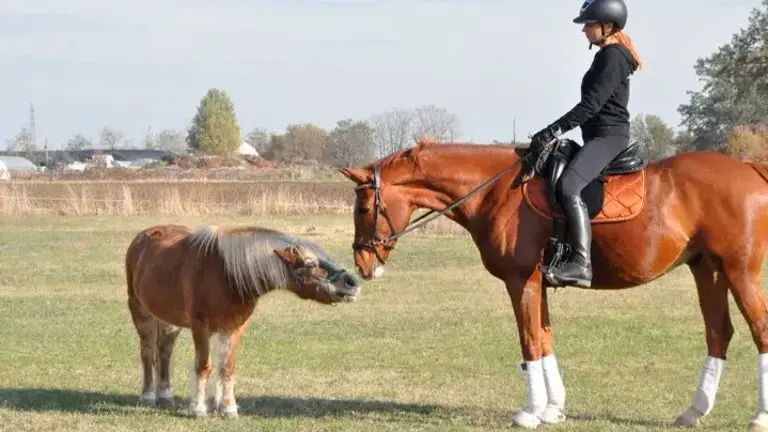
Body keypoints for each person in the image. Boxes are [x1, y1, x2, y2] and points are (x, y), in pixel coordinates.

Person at [529, 0, 643, 288]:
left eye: (589, 25)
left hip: (609, 138)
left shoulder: (614, 56)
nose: (584, 31)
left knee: (569, 186)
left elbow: (590, 106)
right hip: (597, 136)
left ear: (607, 26)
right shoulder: (608, 54)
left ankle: (581, 264)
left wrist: (552, 131)